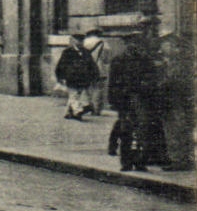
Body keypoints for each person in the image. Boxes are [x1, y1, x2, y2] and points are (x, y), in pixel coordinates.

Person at [108, 27, 170, 172]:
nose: (133, 45)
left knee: (142, 132)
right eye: (129, 43)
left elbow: (152, 80)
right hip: (125, 101)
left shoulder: (145, 60)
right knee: (126, 132)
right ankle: (126, 162)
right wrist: (114, 101)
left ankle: (140, 160)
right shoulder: (118, 60)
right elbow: (112, 83)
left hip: (142, 100)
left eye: (135, 43)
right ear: (125, 44)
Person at [54, 32, 98, 121]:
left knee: (76, 95)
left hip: (83, 78)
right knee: (74, 95)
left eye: (82, 41)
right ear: (74, 41)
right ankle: (78, 112)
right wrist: (60, 77)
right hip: (71, 78)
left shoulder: (86, 52)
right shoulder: (67, 52)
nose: (80, 43)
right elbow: (61, 65)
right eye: (78, 40)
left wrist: (95, 75)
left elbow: (92, 65)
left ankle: (68, 112)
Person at [83, 28, 111, 116]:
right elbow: (107, 59)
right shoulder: (104, 43)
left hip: (86, 68)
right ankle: (95, 109)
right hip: (99, 68)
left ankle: (86, 106)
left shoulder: (84, 42)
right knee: (98, 89)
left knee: (87, 88)